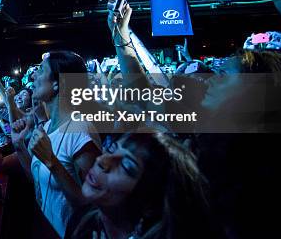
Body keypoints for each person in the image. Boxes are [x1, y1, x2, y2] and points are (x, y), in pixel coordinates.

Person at [12, 51, 102, 237]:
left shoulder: (80, 129)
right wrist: (19, 145)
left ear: (57, 83)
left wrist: (52, 162)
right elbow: (38, 180)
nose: (34, 75)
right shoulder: (46, 127)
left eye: (41, 70)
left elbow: (92, 205)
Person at [66, 131, 222, 239]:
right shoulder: (82, 224)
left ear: (150, 203)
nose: (102, 161)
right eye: (113, 148)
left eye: (127, 166)